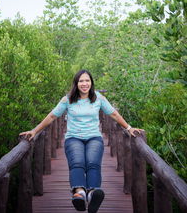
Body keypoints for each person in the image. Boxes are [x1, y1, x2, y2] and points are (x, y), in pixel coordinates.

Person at [20, 69, 142, 213]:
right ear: (76, 83)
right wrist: (34, 131)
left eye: (87, 81)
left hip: (94, 137)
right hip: (73, 138)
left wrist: (128, 128)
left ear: (91, 83)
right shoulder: (68, 100)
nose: (84, 84)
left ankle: (92, 194)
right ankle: (79, 193)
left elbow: (114, 114)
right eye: (81, 81)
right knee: (77, 162)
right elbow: (52, 117)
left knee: (92, 163)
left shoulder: (99, 98)